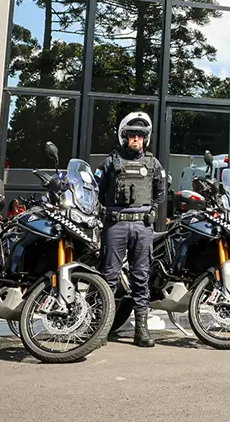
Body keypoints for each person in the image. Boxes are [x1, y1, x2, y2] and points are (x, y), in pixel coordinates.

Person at [96, 111, 167, 348]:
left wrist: (152, 210)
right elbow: (96, 190)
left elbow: (160, 192)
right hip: (115, 224)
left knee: (141, 277)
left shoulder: (153, 164)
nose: (136, 139)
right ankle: (101, 329)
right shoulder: (110, 162)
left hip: (142, 226)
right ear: (124, 137)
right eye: (132, 135)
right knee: (109, 277)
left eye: (140, 136)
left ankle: (141, 331)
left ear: (145, 139)